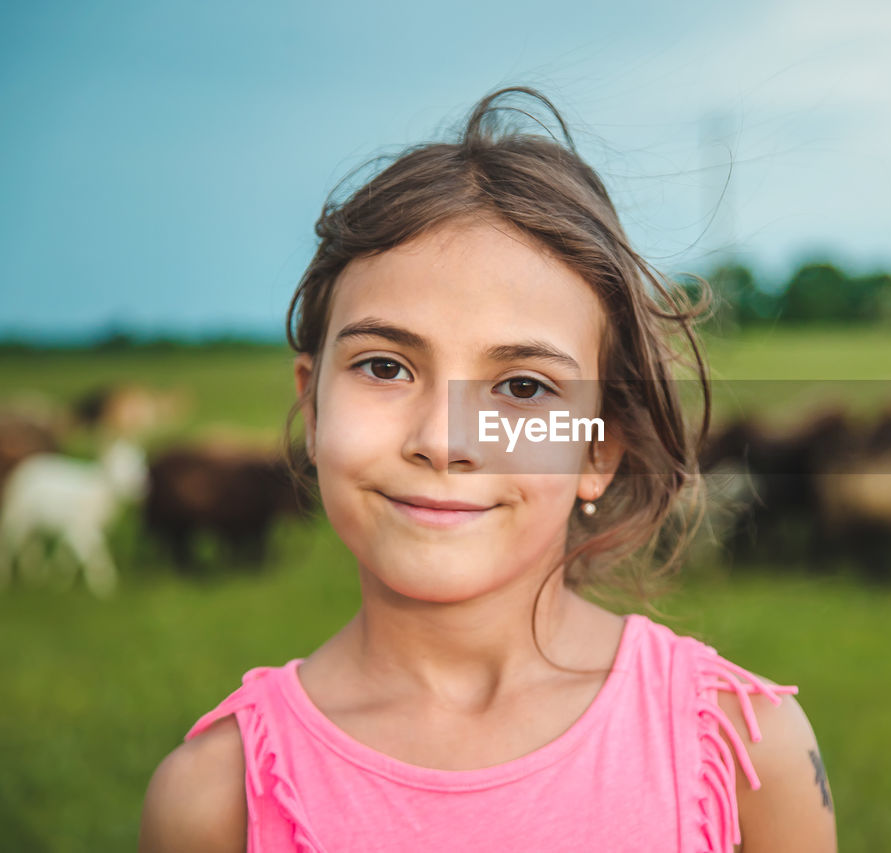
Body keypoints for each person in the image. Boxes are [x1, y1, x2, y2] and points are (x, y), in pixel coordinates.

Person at [139, 86, 837, 852]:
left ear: (597, 450)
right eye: (384, 366)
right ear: (313, 408)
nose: (444, 439)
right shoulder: (216, 796)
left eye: (523, 386)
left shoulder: (744, 751)